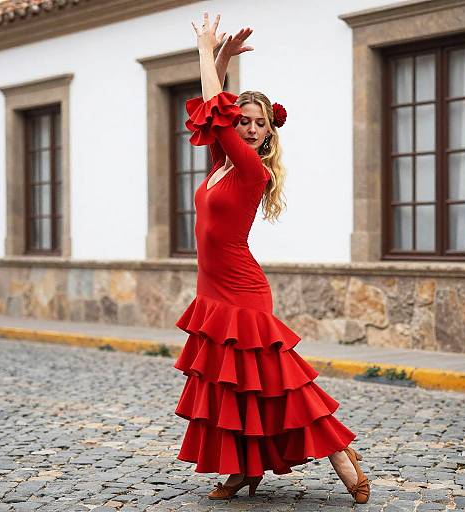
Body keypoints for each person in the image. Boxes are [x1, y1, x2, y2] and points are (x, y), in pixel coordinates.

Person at [172, 11, 370, 504]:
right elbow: (214, 115)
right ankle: (244, 472)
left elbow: (216, 112)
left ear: (268, 133)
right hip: (213, 292)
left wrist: (205, 52)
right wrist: (221, 58)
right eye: (246, 121)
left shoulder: (250, 171)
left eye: (261, 124)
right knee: (231, 388)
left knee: (279, 381)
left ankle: (342, 457)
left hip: (242, 290)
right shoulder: (221, 163)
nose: (254, 129)